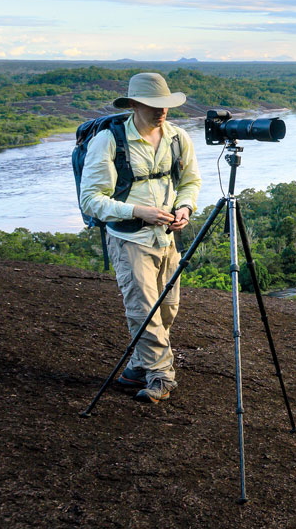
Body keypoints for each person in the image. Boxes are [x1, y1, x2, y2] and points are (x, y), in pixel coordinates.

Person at [79, 72, 201, 404]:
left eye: (165, 104)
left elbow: (190, 181)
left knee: (167, 308)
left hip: (166, 238)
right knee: (143, 308)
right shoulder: (108, 141)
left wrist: (185, 208)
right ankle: (162, 375)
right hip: (130, 239)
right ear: (134, 104)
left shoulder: (177, 137)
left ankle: (137, 365)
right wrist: (138, 211)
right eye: (152, 105)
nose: (161, 111)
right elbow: (90, 199)